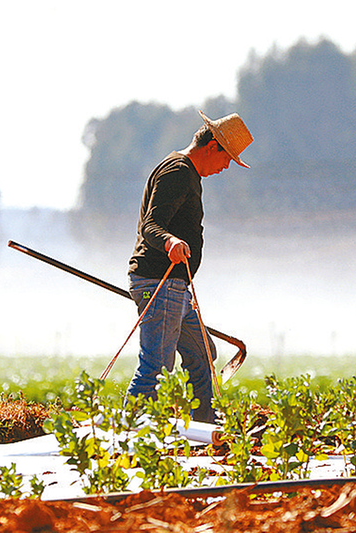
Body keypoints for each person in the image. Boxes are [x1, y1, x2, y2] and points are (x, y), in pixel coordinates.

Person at [126, 111, 253, 423]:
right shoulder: (178, 171)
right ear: (212, 148)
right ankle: (127, 433)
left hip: (175, 288)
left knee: (203, 355)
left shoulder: (187, 173)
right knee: (156, 365)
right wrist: (169, 241)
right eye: (227, 160)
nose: (225, 168)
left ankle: (206, 425)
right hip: (158, 282)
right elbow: (151, 225)